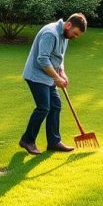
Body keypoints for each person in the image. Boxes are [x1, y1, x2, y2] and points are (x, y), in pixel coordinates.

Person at [18, 13, 87, 155]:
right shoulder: (51, 33)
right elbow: (42, 59)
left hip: (49, 77)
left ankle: (54, 142)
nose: (74, 37)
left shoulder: (65, 36)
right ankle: (27, 140)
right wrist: (57, 78)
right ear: (68, 25)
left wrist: (62, 73)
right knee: (43, 107)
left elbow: (59, 58)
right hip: (36, 75)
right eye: (74, 33)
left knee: (55, 105)